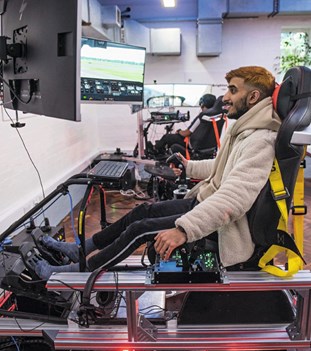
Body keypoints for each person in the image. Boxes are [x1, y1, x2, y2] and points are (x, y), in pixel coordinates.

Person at [33, 66, 281, 280]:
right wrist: (189, 165)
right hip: (206, 201)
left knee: (140, 229)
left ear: (253, 97)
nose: (225, 97)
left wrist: (184, 229)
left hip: (227, 228)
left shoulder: (260, 140)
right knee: (142, 211)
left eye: (233, 90)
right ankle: (84, 249)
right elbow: (223, 166)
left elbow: (235, 199)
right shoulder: (245, 131)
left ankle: (79, 272)